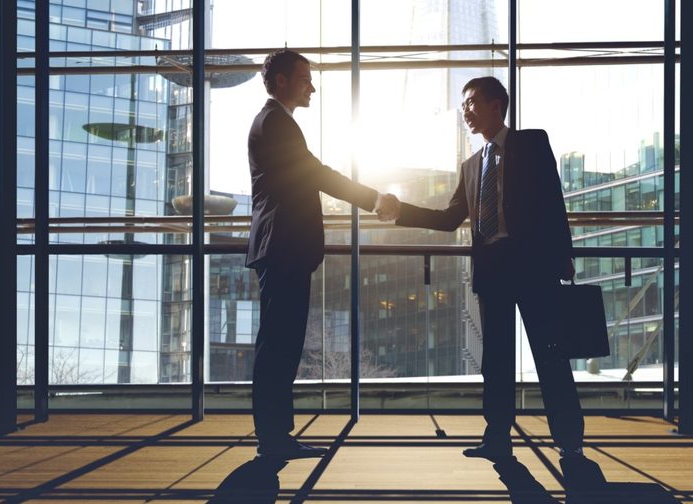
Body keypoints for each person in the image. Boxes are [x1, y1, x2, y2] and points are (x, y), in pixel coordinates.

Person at [378, 76, 585, 461]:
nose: (465, 111)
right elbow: (447, 218)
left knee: (550, 355)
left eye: (471, 102)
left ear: (496, 105)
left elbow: (553, 201)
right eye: (463, 104)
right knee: (497, 361)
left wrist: (563, 256)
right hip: (493, 271)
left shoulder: (531, 143)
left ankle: (570, 440)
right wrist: (400, 209)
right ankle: (497, 438)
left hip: (534, 267)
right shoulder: (471, 166)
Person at [246, 49, 398, 459]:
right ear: (280, 81)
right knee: (279, 345)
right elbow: (316, 174)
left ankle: (275, 436)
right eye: (303, 78)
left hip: (283, 248)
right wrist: (373, 198)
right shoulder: (276, 123)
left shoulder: (275, 122)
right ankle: (273, 438)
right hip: (282, 248)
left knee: (281, 343)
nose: (311, 86)